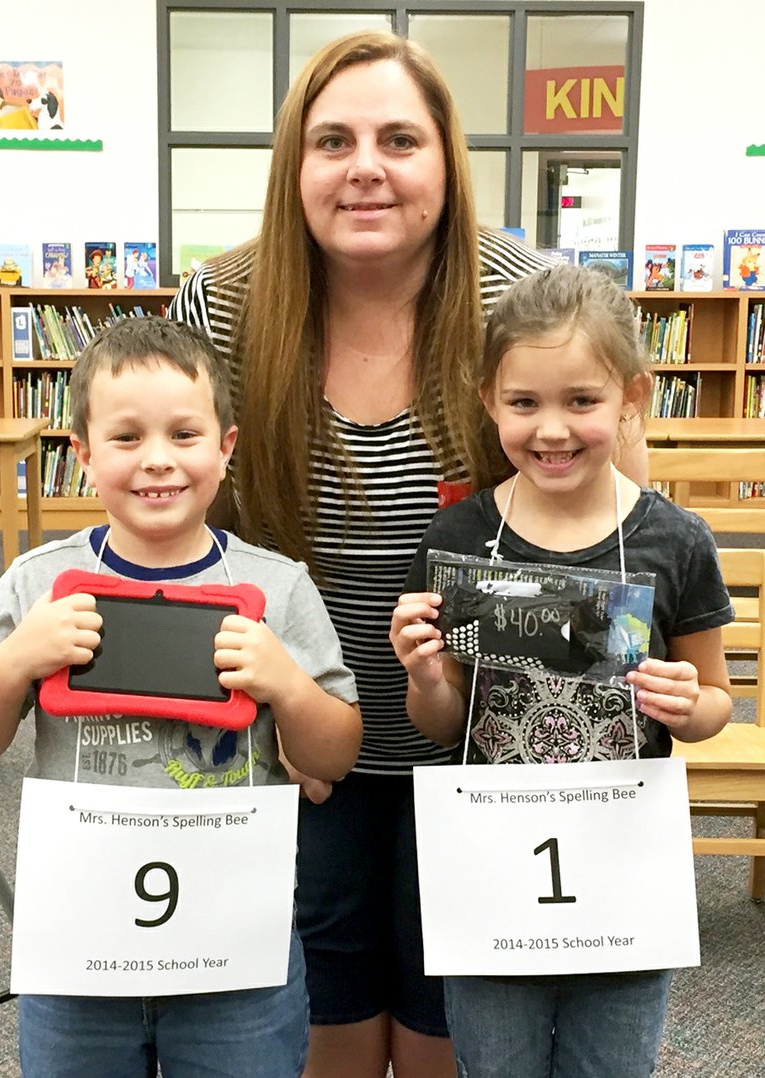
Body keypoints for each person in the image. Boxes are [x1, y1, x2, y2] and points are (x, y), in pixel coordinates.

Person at [169, 31, 648, 1078]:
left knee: (448, 1031)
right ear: (295, 163)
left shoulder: (524, 297)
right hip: (297, 749)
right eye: (331, 140)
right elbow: (177, 523)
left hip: (484, 747)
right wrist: (268, 710)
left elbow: (615, 532)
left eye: (399, 138)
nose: (365, 168)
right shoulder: (223, 308)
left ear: (445, 162)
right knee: (324, 1017)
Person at [0, 316, 362, 1078]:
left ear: (226, 448)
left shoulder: (279, 589)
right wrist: (16, 658)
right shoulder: (37, 584)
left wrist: (284, 681)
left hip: (236, 953)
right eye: (125, 438)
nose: (157, 461)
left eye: (184, 434)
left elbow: (335, 755)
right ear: (80, 455)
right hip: (79, 949)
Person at [390, 262, 734, 1078]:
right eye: (524, 403)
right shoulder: (457, 542)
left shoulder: (674, 541)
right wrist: (428, 677)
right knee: (495, 1065)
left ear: (631, 397)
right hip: (492, 870)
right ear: (489, 402)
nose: (552, 429)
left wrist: (690, 707)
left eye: (582, 401)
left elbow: (717, 699)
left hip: (622, 867)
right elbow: (442, 724)